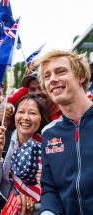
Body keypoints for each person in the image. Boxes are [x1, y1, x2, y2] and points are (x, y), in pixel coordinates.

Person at [37, 50, 93, 215]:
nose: (53, 79)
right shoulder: (48, 133)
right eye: (47, 76)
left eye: (61, 71)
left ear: (81, 76)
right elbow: (50, 187)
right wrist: (48, 211)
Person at [0, 94, 50, 215]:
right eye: (21, 112)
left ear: (41, 118)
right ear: (15, 117)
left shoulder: (47, 145)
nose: (26, 117)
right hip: (2, 205)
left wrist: (44, 182)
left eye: (32, 113)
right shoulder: (1, 138)